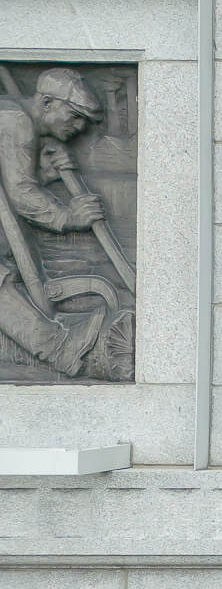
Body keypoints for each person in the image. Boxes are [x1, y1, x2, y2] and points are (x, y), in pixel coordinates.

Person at [0, 68, 131, 379]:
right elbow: (20, 193)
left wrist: (43, 172)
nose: (79, 126)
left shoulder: (11, 115)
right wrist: (68, 216)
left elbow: (13, 179)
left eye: (84, 120)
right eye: (73, 115)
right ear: (46, 103)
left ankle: (61, 345)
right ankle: (61, 348)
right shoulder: (17, 121)